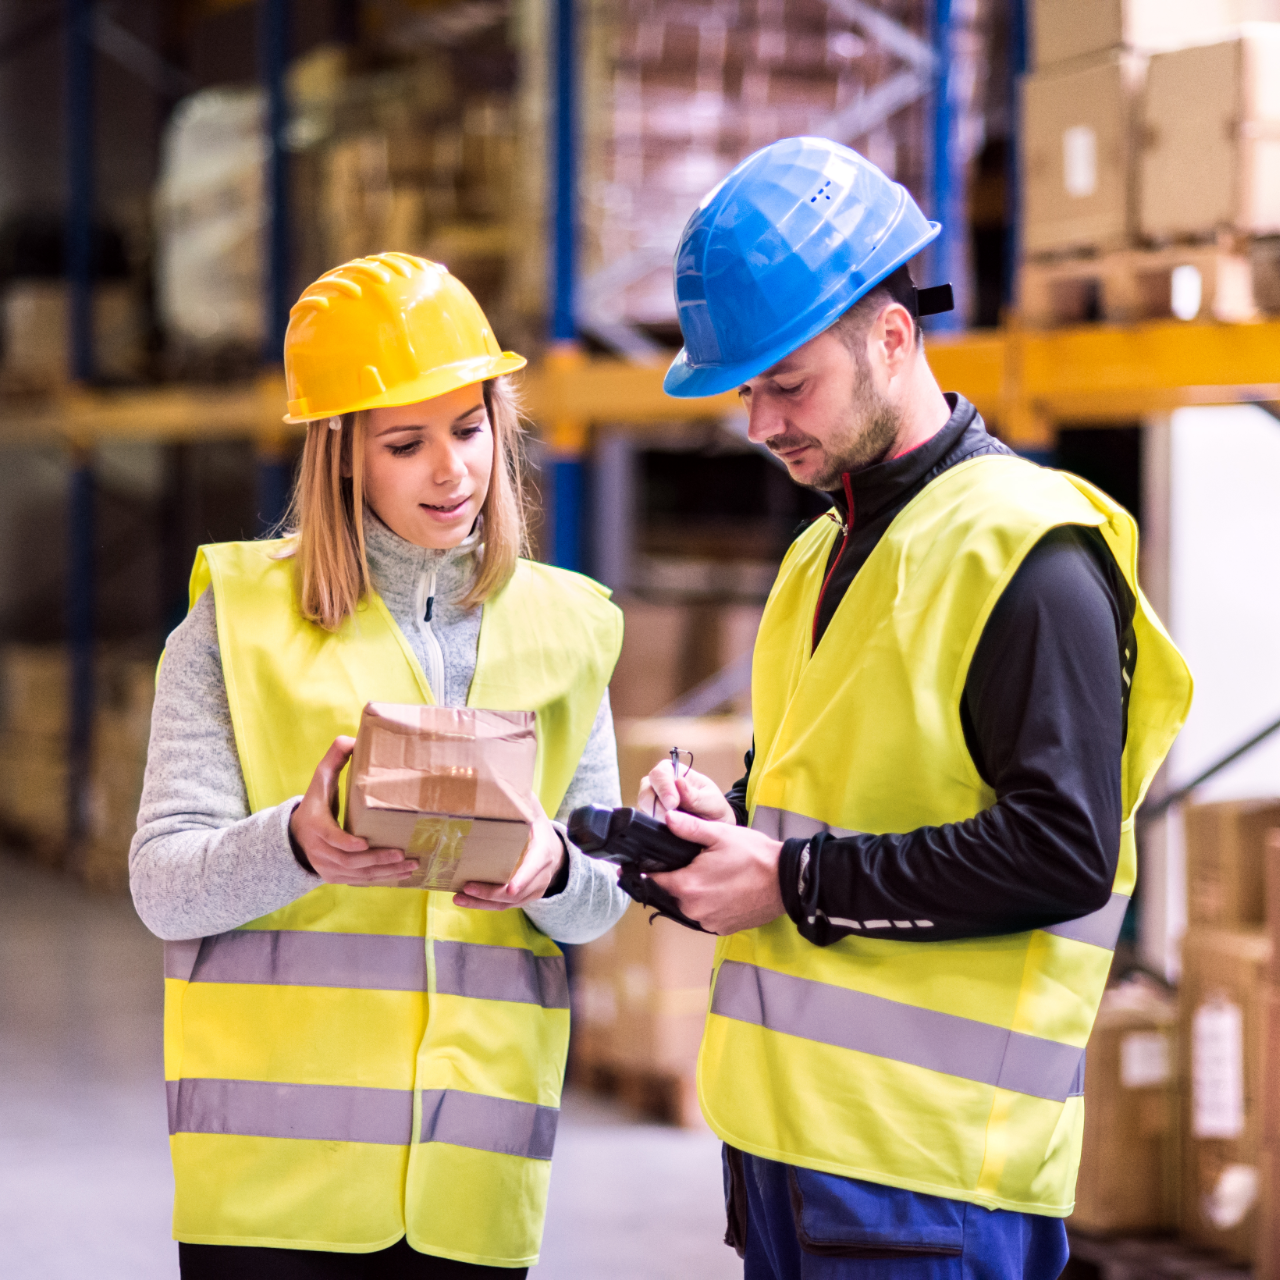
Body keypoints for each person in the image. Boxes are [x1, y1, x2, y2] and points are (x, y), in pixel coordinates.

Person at [639, 138, 1192, 1279]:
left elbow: (1062, 850)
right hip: (790, 1152)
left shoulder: (1024, 552)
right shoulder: (815, 558)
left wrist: (788, 879)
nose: (759, 424)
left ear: (891, 338)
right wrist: (715, 825)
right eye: (746, 390)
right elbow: (820, 801)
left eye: (785, 384)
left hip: (931, 1183)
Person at [130, 252, 630, 1279]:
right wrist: (297, 843)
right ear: (342, 453)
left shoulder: (567, 628)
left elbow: (602, 900)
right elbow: (163, 886)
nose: (452, 470)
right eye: (406, 443)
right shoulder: (235, 622)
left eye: (469, 427)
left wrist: (556, 869)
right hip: (274, 1192)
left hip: (471, 1186)